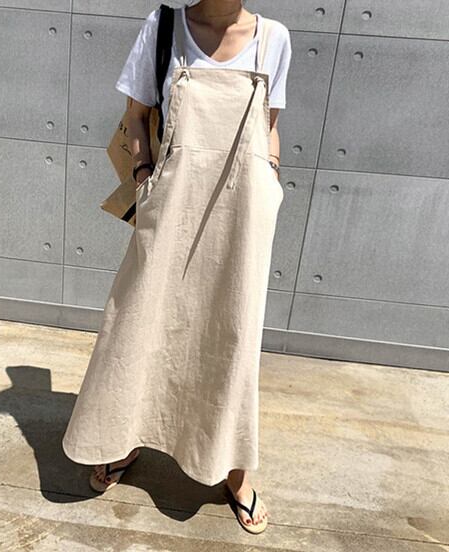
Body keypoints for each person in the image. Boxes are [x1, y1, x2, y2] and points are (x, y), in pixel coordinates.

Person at [62, 0, 292, 535]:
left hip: (244, 211)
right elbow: (135, 116)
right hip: (172, 202)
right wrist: (146, 178)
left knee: (232, 332)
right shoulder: (165, 26)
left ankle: (235, 472)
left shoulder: (273, 38)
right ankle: (121, 438)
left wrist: (270, 179)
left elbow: (269, 126)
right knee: (138, 322)